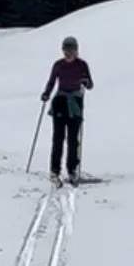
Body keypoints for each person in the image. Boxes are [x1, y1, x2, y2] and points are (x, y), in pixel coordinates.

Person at [40, 35, 93, 184]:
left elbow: (90, 84)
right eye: (66, 50)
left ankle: (72, 169)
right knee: (58, 137)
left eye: (71, 50)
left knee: (73, 139)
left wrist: (85, 81)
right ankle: (54, 170)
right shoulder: (58, 65)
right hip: (60, 102)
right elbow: (51, 82)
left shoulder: (82, 65)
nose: (68, 53)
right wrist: (46, 94)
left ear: (76, 50)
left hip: (75, 103)